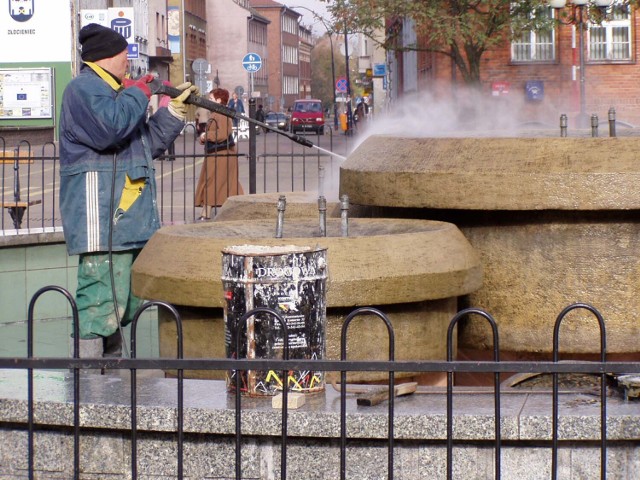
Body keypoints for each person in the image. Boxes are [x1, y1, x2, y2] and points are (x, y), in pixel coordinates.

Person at [58, 23, 197, 359]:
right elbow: (111, 128)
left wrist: (172, 112)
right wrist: (140, 92)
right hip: (102, 217)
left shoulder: (114, 92)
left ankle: (111, 366)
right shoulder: (83, 90)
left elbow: (143, 145)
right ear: (107, 56)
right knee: (100, 298)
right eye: (124, 53)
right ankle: (90, 372)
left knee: (122, 301)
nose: (128, 61)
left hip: (128, 218)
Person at [196, 88, 244, 220]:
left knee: (213, 182)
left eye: (211, 99)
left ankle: (206, 214)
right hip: (219, 153)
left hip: (221, 154)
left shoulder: (221, 114)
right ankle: (239, 209)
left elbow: (222, 134)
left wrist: (206, 136)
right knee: (227, 183)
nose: (209, 101)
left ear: (218, 100)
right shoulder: (217, 113)